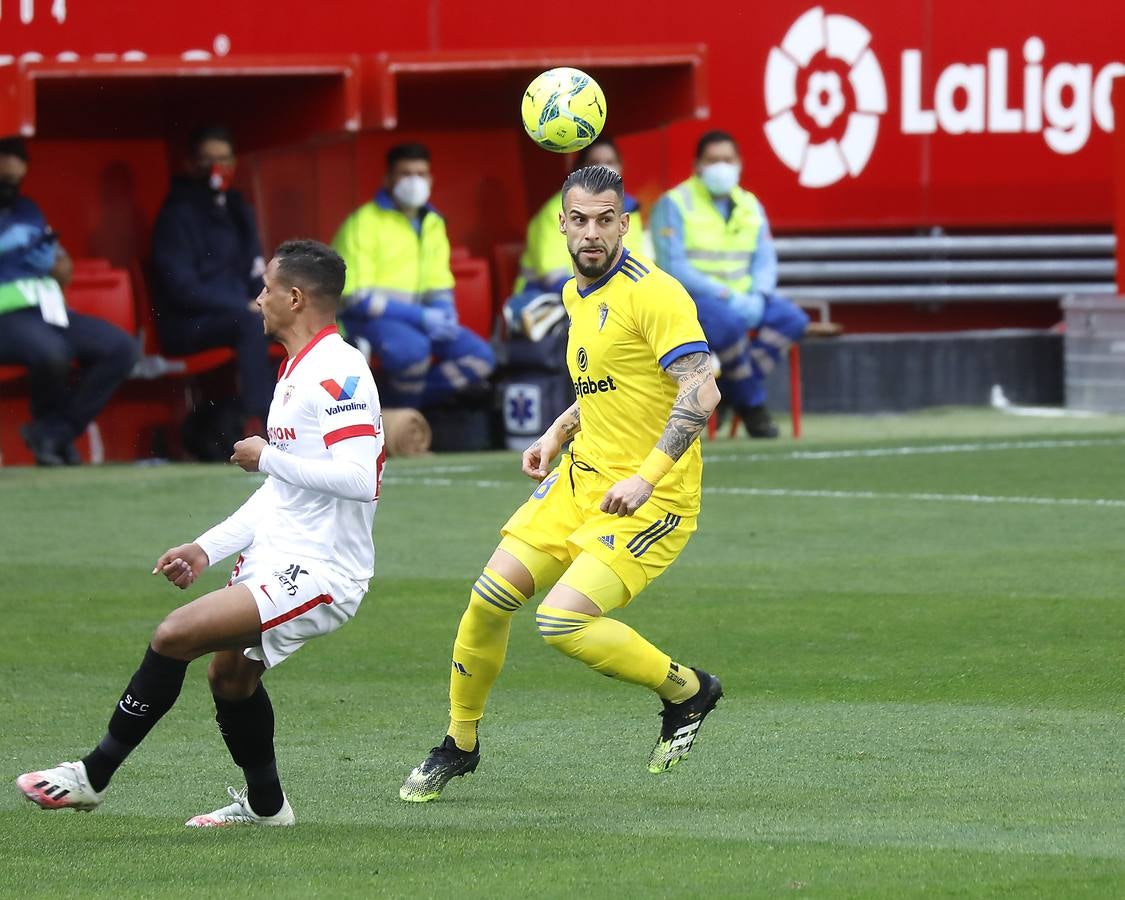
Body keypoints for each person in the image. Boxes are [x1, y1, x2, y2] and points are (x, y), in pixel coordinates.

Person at [17, 240, 385, 827]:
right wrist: (206, 546)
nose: (257, 300)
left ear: (296, 297)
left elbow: (359, 477)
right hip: (281, 553)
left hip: (324, 569)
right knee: (230, 676)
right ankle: (268, 809)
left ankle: (92, 776)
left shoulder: (338, 369)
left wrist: (267, 456)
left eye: (266, 289)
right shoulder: (296, 369)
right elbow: (283, 492)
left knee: (174, 634)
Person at [399, 165, 723, 803]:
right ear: (564, 226)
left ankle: (688, 691)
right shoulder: (576, 293)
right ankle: (459, 745)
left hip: (649, 500)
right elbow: (609, 386)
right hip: (579, 483)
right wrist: (556, 433)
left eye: (606, 220)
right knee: (487, 600)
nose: (592, 233)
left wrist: (645, 476)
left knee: (562, 623)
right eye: (580, 220)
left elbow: (701, 387)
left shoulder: (656, 294)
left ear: (624, 225)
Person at [651, 130, 809, 438]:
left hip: (745, 297)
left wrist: (760, 296)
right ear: (698, 165)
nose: (721, 166)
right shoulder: (675, 203)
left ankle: (727, 388)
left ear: (739, 163)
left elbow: (765, 260)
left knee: (793, 319)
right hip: (697, 299)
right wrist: (725, 294)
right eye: (713, 160)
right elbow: (674, 266)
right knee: (730, 325)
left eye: (727, 159)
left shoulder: (750, 204)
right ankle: (752, 405)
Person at [0, 135, 137, 466]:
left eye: (16, 182)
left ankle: (54, 433)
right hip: (6, 315)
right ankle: (53, 438)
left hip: (46, 309)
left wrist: (61, 265)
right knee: (53, 353)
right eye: (4, 181)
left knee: (121, 348)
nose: (10, 189)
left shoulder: (27, 209)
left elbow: (53, 255)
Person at [334, 142, 494, 409]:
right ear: (388, 179)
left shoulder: (433, 221)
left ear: (430, 179)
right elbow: (354, 298)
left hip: (420, 322)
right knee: (412, 351)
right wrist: (420, 316)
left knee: (480, 358)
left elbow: (438, 282)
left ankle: (397, 406)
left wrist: (445, 312)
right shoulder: (363, 223)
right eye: (406, 174)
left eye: (420, 174)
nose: (414, 181)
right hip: (365, 320)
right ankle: (405, 420)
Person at [149, 125, 274, 428]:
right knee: (250, 323)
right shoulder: (176, 215)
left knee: (291, 318)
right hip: (188, 322)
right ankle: (265, 421)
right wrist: (241, 306)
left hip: (237, 316)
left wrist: (268, 300)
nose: (218, 167)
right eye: (208, 159)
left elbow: (256, 268)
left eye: (225, 159)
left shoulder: (237, 208)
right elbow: (182, 289)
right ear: (191, 164)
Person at [504, 137, 646, 338]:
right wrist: (602, 298)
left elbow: (636, 265)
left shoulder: (629, 210)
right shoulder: (555, 211)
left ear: (621, 167)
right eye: (594, 162)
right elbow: (552, 276)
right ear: (580, 170)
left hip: (611, 302)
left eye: (610, 162)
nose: (603, 168)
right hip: (550, 300)